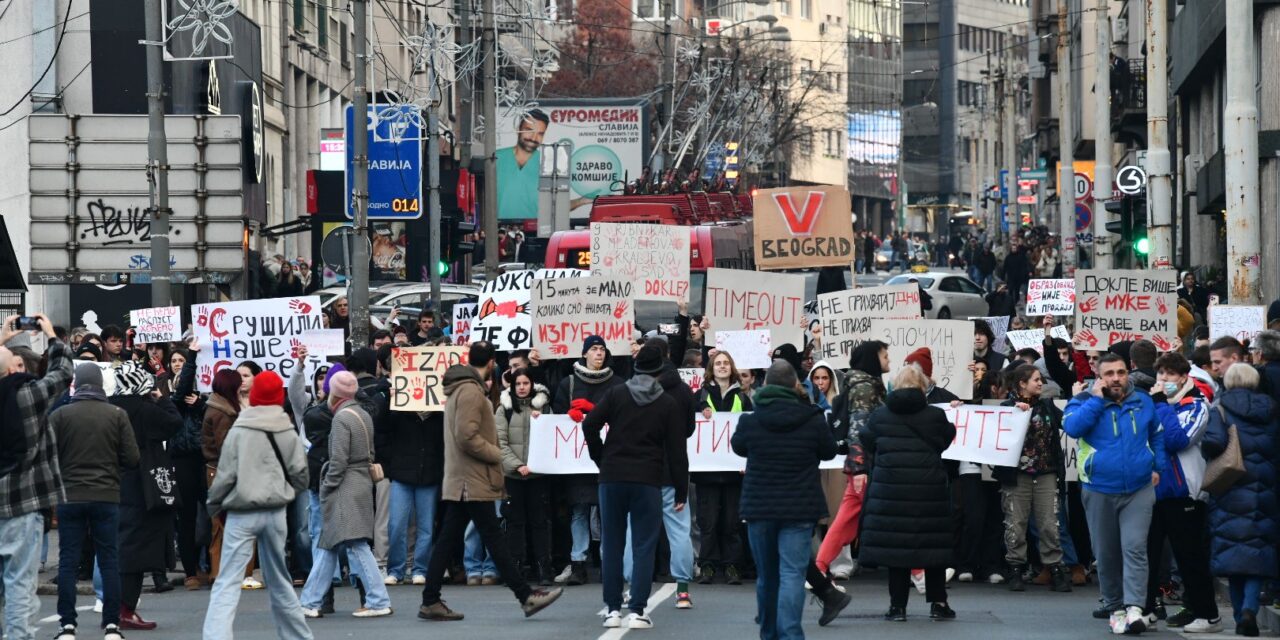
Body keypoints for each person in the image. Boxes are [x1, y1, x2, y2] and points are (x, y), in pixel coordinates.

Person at [417, 341, 563, 621]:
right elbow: (467, 436)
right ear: (492, 362)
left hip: (463, 478)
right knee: (492, 537)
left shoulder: (461, 389)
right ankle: (525, 596)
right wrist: (496, 454)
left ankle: (431, 599)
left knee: (454, 539)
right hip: (472, 479)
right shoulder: (471, 392)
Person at [583, 342, 687, 631]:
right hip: (648, 478)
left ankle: (612, 608)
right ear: (659, 369)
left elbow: (589, 424)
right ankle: (638, 609)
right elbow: (678, 451)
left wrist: (600, 457)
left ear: (637, 365)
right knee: (644, 545)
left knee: (613, 543)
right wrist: (680, 489)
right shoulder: (667, 403)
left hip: (612, 474)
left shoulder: (616, 393)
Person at [203, 371, 314, 640]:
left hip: (242, 510)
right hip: (275, 510)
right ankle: (298, 636)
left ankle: (217, 636)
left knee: (228, 581)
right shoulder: (287, 429)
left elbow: (226, 475)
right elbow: (301, 474)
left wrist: (214, 504)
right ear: (279, 396)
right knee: (280, 581)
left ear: (253, 396)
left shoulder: (239, 429)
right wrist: (286, 492)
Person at [732, 361, 839, 640]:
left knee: (767, 577)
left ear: (766, 384)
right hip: (799, 506)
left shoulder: (751, 420)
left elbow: (738, 446)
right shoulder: (812, 417)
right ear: (795, 385)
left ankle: (768, 633)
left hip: (760, 506)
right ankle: (791, 634)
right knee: (792, 573)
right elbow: (828, 452)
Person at [1064, 353, 1167, 634]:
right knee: (1107, 553)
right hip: (1099, 489)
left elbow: (1156, 434)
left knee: (1134, 547)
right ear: (1099, 376)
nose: (1116, 378)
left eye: (1121, 372)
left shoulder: (1142, 400)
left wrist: (1158, 466)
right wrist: (1097, 400)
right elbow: (1072, 428)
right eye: (1109, 374)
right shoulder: (1085, 401)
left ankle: (1135, 607)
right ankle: (1115, 608)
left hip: (1139, 488)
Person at [858, 365, 957, 622]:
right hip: (929, 491)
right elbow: (947, 439)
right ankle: (938, 603)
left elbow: (866, 440)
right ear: (923, 387)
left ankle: (897, 607)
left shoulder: (880, 416)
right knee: (932, 548)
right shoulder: (935, 416)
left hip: (890, 491)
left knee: (896, 550)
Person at [49, 363, 139, 640]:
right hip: (106, 495)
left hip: (70, 495)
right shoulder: (116, 414)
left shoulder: (60, 415)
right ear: (101, 384)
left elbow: (47, 457)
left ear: (76, 384)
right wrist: (113, 472)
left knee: (68, 561)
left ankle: (67, 625)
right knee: (109, 558)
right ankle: (111, 624)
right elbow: (132, 458)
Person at [298, 371, 392, 618]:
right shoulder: (363, 414)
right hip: (360, 482)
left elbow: (338, 461)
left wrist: (327, 486)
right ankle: (311, 600)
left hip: (344, 487)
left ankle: (377, 600)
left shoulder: (340, 419)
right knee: (333, 544)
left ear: (333, 394)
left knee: (353, 544)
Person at [0, 314, 71, 640]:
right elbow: (62, 373)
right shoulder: (27, 397)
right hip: (21, 502)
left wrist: (1, 340)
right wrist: (51, 335)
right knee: (19, 585)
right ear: (15, 369)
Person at [1202, 363, 1279, 637]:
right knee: (1257, 553)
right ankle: (1250, 608)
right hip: (1266, 489)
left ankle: (1239, 615)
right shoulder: (1271, 410)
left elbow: (1212, 443)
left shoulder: (1220, 408)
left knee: (1232, 555)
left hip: (1230, 488)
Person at [1146, 352, 1220, 632]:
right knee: (1149, 555)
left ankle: (1208, 613)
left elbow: (1177, 439)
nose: (1163, 380)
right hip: (1154, 492)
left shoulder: (1197, 405)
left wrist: (1163, 406)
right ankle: (1147, 608)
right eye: (1160, 375)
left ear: (1184, 378)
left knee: (1189, 557)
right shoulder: (1156, 405)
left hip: (1185, 494)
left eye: (1170, 375)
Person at [552, 335, 625, 585]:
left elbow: (623, 415)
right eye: (594, 349)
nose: (599, 353)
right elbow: (556, 416)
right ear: (584, 353)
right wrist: (566, 414)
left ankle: (608, 562)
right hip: (577, 459)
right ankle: (578, 562)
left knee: (607, 512)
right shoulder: (569, 383)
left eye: (602, 349)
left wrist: (593, 410)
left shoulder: (617, 383)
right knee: (579, 510)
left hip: (606, 458)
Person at [995, 365, 1070, 592]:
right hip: (1017, 476)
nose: (1040, 384)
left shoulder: (1048, 406)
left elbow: (1069, 422)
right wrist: (1016, 415)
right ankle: (1016, 567)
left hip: (1046, 473)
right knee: (1015, 523)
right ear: (1022, 383)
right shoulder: (1007, 408)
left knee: (1049, 523)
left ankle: (1055, 568)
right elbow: (993, 433)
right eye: (1036, 380)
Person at [819, 341, 889, 578]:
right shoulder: (865, 389)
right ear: (872, 359)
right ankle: (920, 573)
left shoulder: (865, 385)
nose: (888, 359)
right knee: (885, 515)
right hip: (865, 465)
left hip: (865, 464)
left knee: (846, 519)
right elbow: (858, 429)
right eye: (884, 355)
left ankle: (819, 566)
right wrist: (859, 467)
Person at [694, 352, 751, 585]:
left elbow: (750, 430)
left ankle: (732, 566)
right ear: (711, 368)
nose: (722, 366)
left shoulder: (743, 398)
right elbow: (691, 426)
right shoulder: (700, 395)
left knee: (732, 522)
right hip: (707, 473)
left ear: (732, 368)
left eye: (726, 363)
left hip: (733, 472)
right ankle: (707, 565)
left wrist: (746, 463)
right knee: (708, 521)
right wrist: (700, 412)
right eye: (718, 363)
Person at [496, 368, 555, 585]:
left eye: (525, 383)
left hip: (538, 476)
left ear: (532, 384)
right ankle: (516, 569)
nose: (522, 387)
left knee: (540, 522)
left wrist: (544, 419)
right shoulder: (504, 410)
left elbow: (552, 437)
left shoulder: (544, 408)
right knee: (514, 523)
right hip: (514, 476)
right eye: (518, 384)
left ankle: (544, 569)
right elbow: (499, 442)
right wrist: (517, 465)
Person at [202, 367, 257, 585]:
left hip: (215, 470)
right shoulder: (223, 413)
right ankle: (243, 573)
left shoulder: (217, 407)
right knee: (237, 523)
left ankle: (219, 572)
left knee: (220, 524)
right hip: (227, 472)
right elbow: (228, 447)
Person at [496, 109, 549, 220]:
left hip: (535, 230)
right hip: (496, 229)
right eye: (529, 130)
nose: (534, 138)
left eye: (540, 134)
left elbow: (555, 204)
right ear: (518, 129)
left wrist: (582, 201)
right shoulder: (496, 158)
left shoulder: (547, 163)